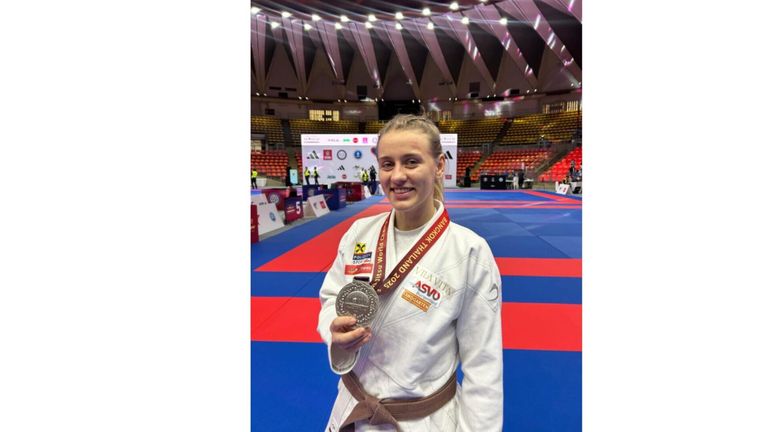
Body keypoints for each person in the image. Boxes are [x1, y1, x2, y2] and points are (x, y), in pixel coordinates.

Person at [317, 114, 503, 431]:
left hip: (422, 421)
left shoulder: (469, 251)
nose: (398, 176)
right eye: (388, 164)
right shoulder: (359, 233)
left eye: (412, 162)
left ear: (439, 166)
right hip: (353, 410)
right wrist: (333, 330)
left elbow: (482, 365)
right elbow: (332, 296)